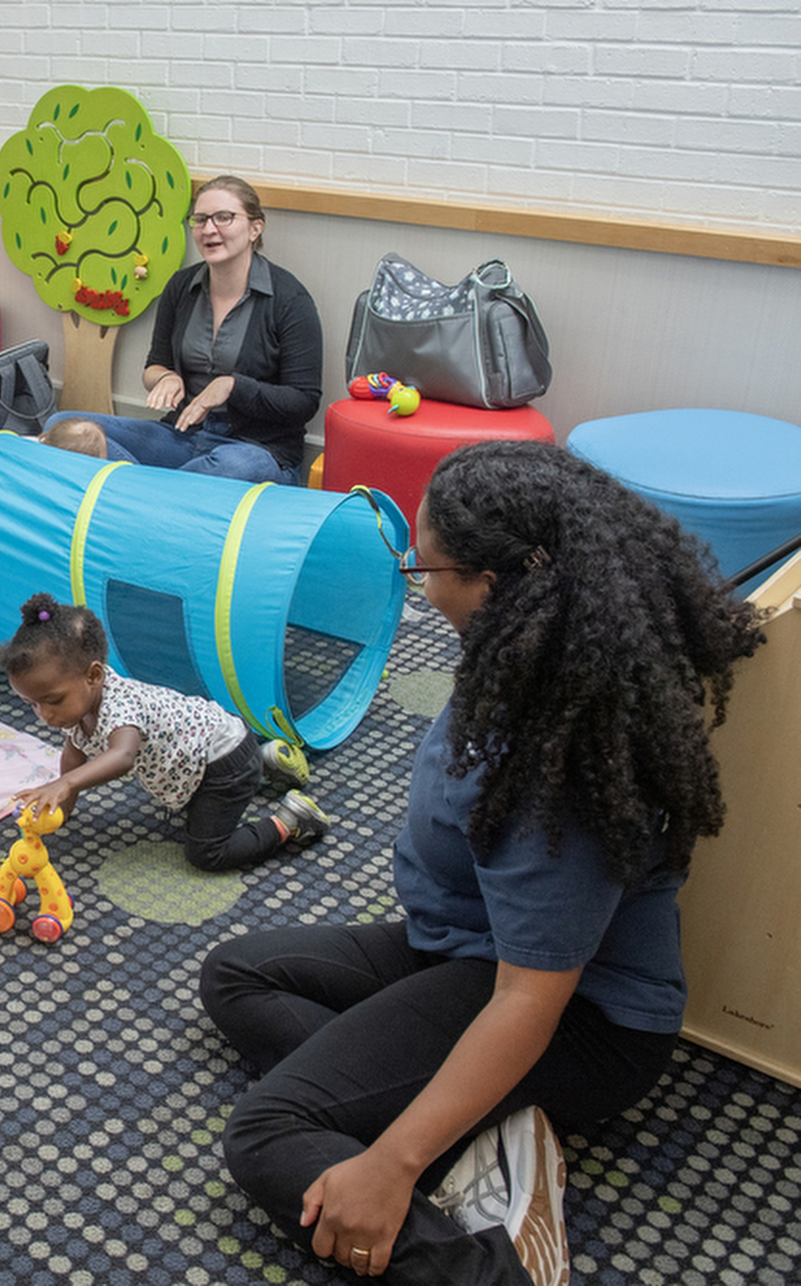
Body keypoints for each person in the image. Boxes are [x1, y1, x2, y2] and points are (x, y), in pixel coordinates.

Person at [198, 441, 766, 1285]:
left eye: (424, 563)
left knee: (265, 1137)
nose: (415, 577)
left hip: (576, 1015)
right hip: (469, 945)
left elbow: (531, 1000)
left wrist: (392, 1161)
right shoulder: (538, 649)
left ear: (494, 581)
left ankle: (492, 1261)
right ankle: (475, 1130)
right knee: (238, 976)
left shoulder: (551, 765)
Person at [0, 593, 328, 872]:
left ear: (94, 675)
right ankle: (264, 761)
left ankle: (290, 821)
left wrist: (65, 784)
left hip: (222, 763)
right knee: (190, 804)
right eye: (32, 705)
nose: (45, 714)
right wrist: (62, 809)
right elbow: (74, 754)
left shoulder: (120, 706)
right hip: (211, 748)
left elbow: (122, 756)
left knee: (206, 854)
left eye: (52, 700)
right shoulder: (79, 704)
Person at [41, 175, 322, 485]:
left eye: (224, 218)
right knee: (65, 426)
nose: (209, 229)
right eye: (200, 220)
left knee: (235, 468)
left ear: (255, 228)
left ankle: (140, 491)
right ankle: (166, 493)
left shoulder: (289, 299)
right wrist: (166, 377)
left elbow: (303, 401)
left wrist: (232, 387)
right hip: (183, 437)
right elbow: (154, 367)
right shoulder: (181, 286)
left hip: (253, 449)